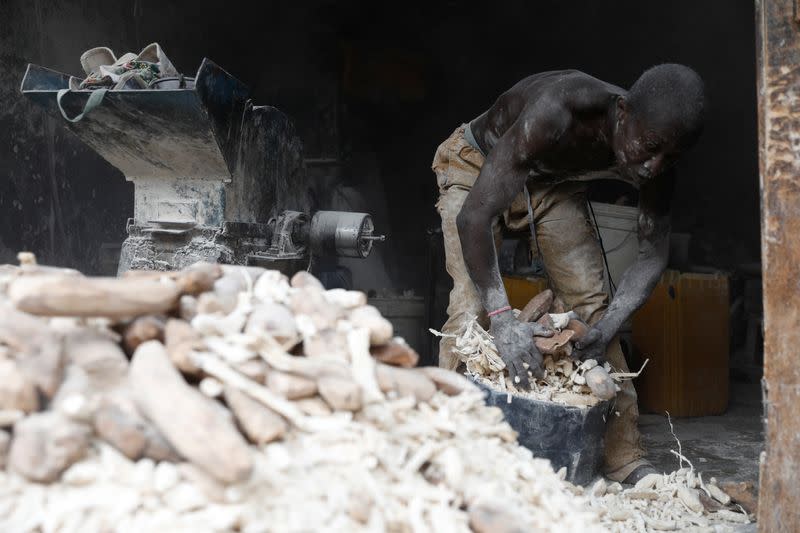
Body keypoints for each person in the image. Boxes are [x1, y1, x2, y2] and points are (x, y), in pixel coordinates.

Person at [432, 64, 705, 483]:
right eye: (649, 147)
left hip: (551, 185)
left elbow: (652, 255)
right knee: (472, 310)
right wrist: (503, 319)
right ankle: (444, 445)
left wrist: (609, 323)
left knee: (594, 312)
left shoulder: (658, 155)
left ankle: (623, 455)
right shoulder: (558, 110)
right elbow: (474, 218)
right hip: (477, 165)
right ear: (623, 111)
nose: (653, 166)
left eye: (670, 157)